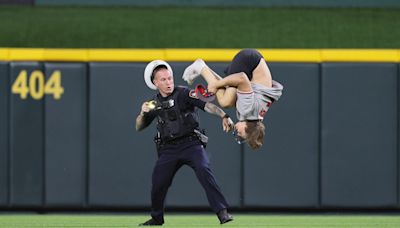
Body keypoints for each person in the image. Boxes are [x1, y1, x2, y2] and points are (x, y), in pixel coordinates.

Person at [136, 60, 234, 226]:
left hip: (191, 144)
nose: (169, 82)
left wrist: (223, 115)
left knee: (204, 169)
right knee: (158, 180)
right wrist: (142, 113)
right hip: (168, 149)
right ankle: (156, 218)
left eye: (170, 78)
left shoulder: (183, 93)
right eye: (164, 80)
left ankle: (222, 212)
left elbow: (207, 105)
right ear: (155, 83)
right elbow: (139, 127)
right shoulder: (154, 103)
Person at [182, 49, 283, 150]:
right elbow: (241, 78)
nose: (238, 133)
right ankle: (201, 68)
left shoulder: (255, 117)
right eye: (242, 134)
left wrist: (224, 116)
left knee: (230, 99)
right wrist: (216, 85)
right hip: (249, 62)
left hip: (253, 63)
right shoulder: (248, 110)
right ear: (249, 129)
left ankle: (204, 69)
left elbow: (235, 86)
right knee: (226, 102)